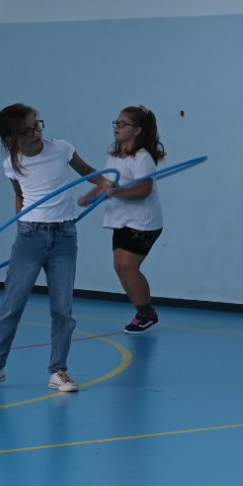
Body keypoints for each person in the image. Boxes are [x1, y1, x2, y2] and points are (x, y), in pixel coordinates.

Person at [0, 104, 109, 393]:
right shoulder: (11, 164)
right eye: (27, 131)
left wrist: (106, 183)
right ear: (11, 139)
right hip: (30, 237)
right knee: (11, 306)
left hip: (64, 236)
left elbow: (87, 171)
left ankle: (58, 370)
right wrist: (22, 225)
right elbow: (21, 196)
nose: (36, 132)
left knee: (63, 309)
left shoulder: (61, 148)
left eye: (37, 125)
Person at [80, 106, 165, 333]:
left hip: (143, 222)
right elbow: (107, 183)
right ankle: (144, 312)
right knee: (120, 267)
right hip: (122, 220)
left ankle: (146, 314)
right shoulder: (115, 157)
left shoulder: (142, 158)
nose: (117, 127)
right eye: (116, 123)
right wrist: (89, 197)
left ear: (137, 130)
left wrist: (116, 193)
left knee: (128, 266)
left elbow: (143, 190)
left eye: (123, 123)